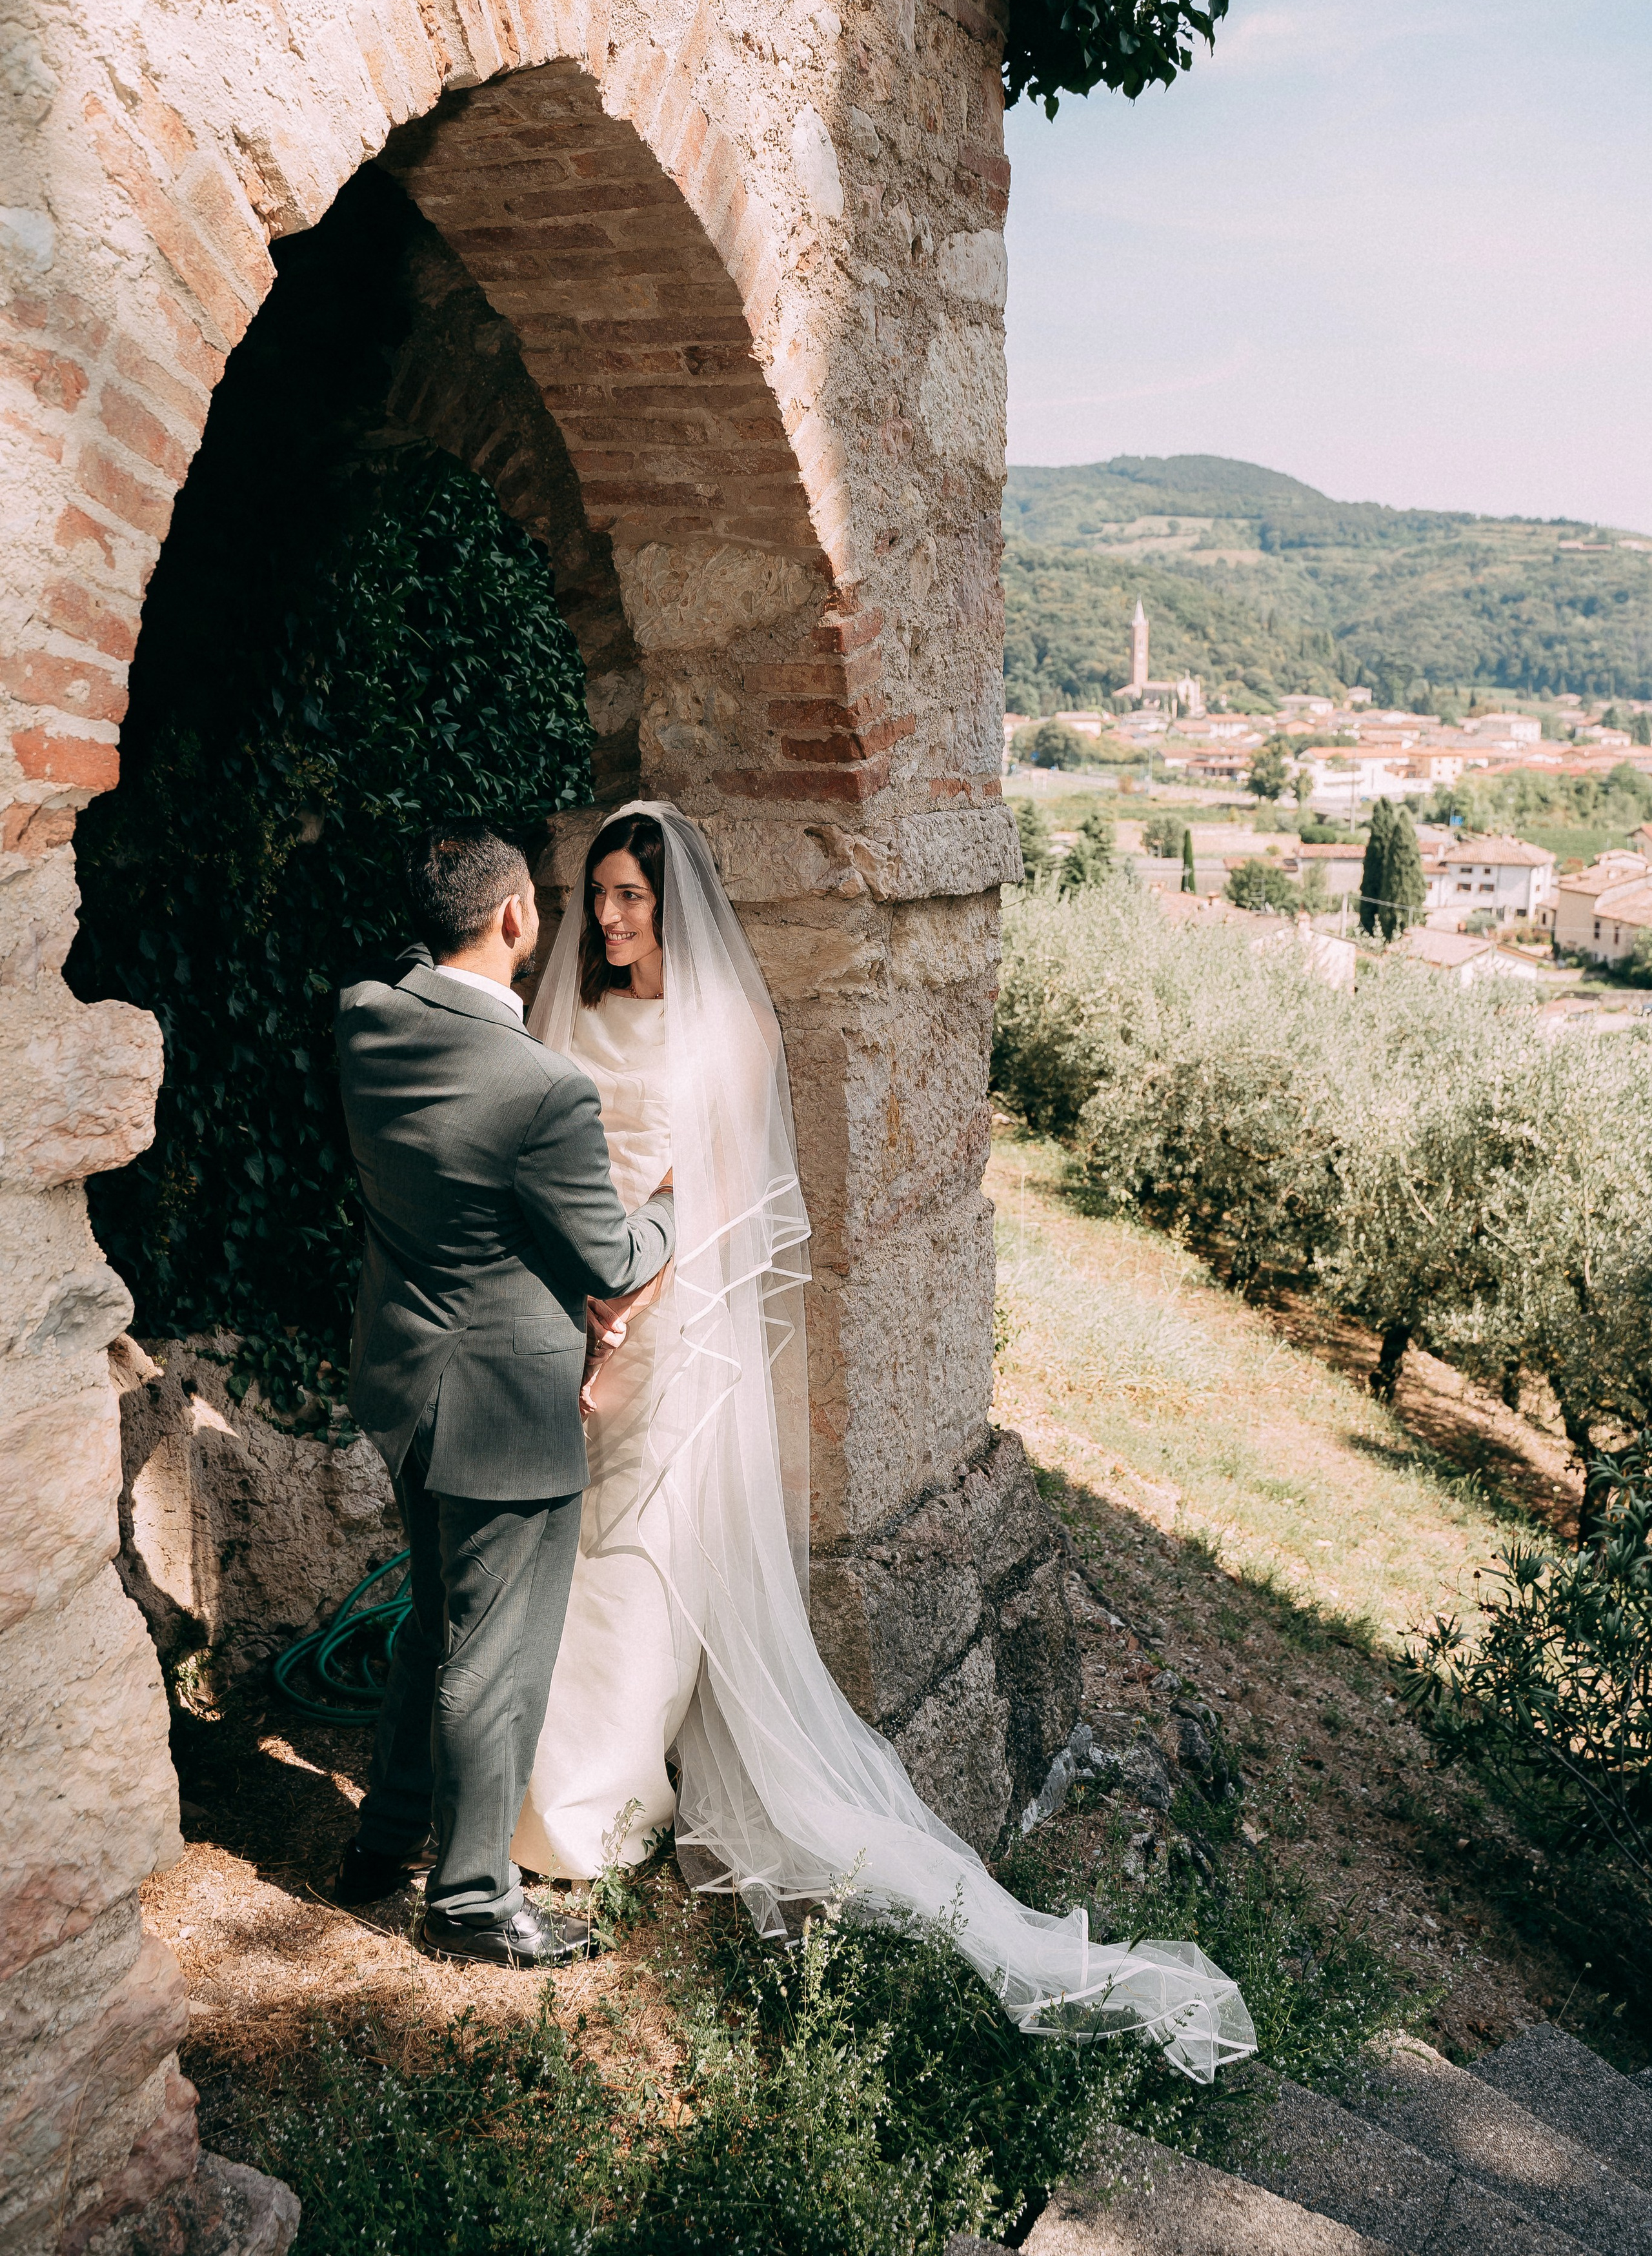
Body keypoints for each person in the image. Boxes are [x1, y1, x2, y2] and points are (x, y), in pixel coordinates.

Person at [511, 803, 1256, 2079]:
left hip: (670, 1325)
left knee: (634, 1559)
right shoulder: (574, 1015)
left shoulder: (732, 1029)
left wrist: (626, 1314)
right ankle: (543, 1782)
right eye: (604, 895)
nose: (617, 918)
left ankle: (591, 1813)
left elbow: (720, 1200)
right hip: (569, 1307)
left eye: (635, 896)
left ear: (677, 904)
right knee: (570, 1553)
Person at [331, 821, 676, 1968]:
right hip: (505, 1408)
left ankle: (382, 1843)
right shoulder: (544, 1090)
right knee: (497, 1662)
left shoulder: (365, 1015)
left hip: (406, 1378)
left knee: (436, 1622)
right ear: (518, 917)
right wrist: (677, 1196)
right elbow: (616, 1264)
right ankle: (472, 1901)